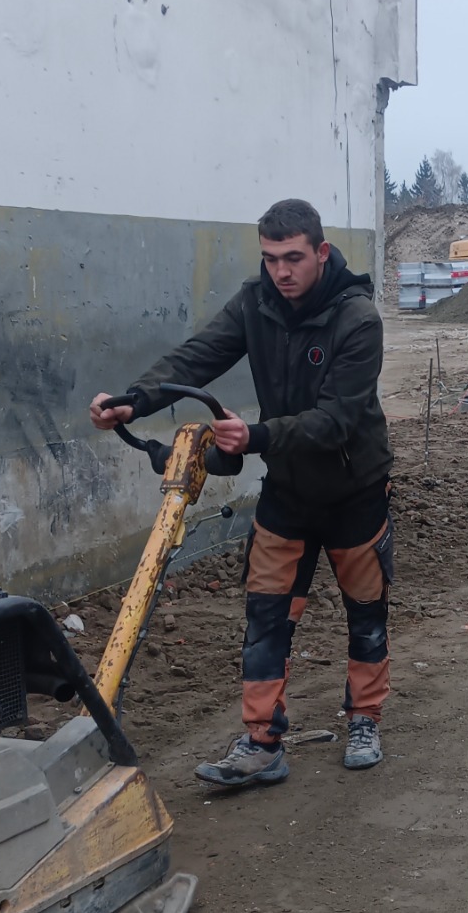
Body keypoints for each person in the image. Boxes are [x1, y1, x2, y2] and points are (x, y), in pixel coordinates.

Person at [90, 197, 393, 783]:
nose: (281, 271)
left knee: (366, 612)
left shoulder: (358, 319)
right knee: (266, 614)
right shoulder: (257, 302)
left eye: (293, 258)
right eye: (270, 259)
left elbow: (337, 420)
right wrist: (135, 399)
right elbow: (198, 355)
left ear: (321, 252)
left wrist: (256, 436)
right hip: (288, 489)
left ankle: (365, 717)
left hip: (354, 490)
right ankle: (262, 741)